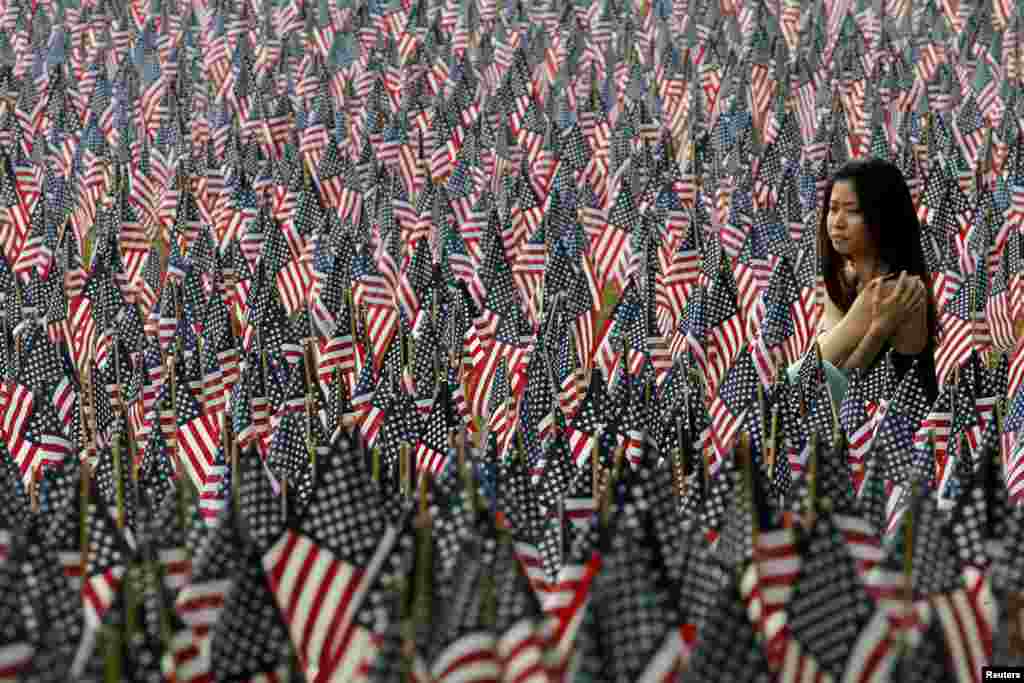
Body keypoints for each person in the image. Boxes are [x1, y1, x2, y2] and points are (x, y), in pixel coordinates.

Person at [795, 158, 939, 405]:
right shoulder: (846, 281)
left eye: (852, 211)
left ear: (883, 217)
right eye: (833, 208)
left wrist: (877, 331)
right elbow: (833, 373)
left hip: (904, 430)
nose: (837, 222)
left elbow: (809, 369)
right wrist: (878, 331)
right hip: (858, 418)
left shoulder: (894, 289)